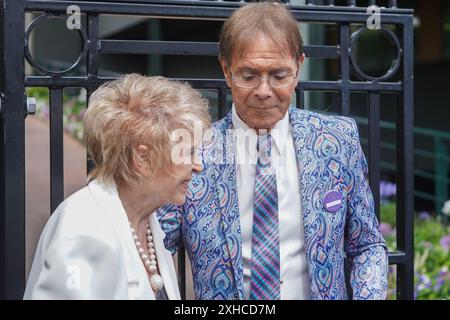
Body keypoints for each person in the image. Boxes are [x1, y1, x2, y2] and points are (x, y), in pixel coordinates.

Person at [157, 1, 388, 300]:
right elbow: (152, 251)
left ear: (298, 68)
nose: (264, 91)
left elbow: (367, 245)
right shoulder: (192, 149)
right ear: (226, 71)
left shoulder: (337, 141)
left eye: (279, 76)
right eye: (249, 75)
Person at [24, 74, 210, 299]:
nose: (198, 165)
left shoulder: (145, 221)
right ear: (143, 158)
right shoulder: (85, 228)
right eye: (187, 152)